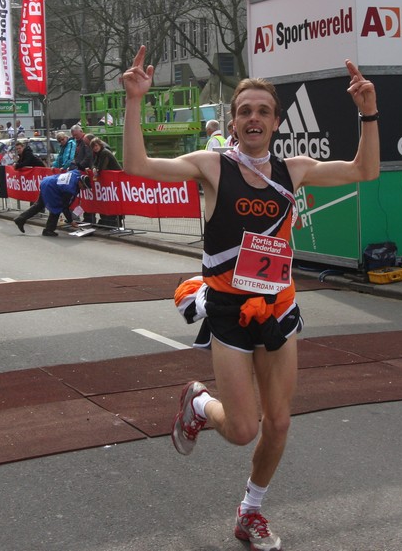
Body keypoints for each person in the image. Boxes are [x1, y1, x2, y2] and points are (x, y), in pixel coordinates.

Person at [120, 45, 379, 551]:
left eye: (263, 111)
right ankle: (199, 403)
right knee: (242, 430)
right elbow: (137, 164)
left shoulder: (293, 170)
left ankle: (250, 511)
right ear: (233, 123)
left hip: (278, 308)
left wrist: (368, 112)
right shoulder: (212, 167)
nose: (254, 118)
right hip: (229, 311)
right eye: (245, 111)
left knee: (278, 422)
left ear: (277, 122)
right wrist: (134, 101)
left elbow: (363, 170)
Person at [12, 169, 91, 236]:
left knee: (39, 205)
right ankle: (48, 230)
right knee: (57, 208)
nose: (84, 189)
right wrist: (71, 221)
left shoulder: (76, 173)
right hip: (50, 188)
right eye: (84, 187)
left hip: (46, 181)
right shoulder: (70, 189)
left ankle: (20, 219)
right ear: (80, 182)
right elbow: (65, 207)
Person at [90, 137, 123, 228]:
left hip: (115, 180)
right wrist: (94, 168)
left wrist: (96, 169)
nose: (95, 148)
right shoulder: (98, 153)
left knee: (115, 201)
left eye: (96, 146)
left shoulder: (104, 152)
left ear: (100, 145)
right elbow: (94, 163)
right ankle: (109, 221)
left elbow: (102, 167)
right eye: (93, 147)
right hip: (110, 182)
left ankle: (117, 222)